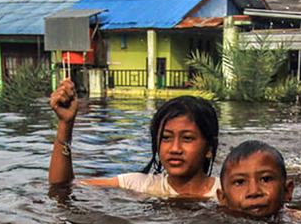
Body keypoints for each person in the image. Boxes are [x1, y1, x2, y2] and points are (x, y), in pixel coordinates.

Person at [47, 79, 221, 199]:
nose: (175, 148)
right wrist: (65, 124)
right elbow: (63, 187)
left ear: (209, 149)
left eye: (187, 138)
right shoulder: (139, 185)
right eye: (166, 138)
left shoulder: (226, 193)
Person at [217, 140, 301, 222]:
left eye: (265, 179)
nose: (254, 192)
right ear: (223, 198)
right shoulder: (214, 223)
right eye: (240, 182)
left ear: (287, 191)